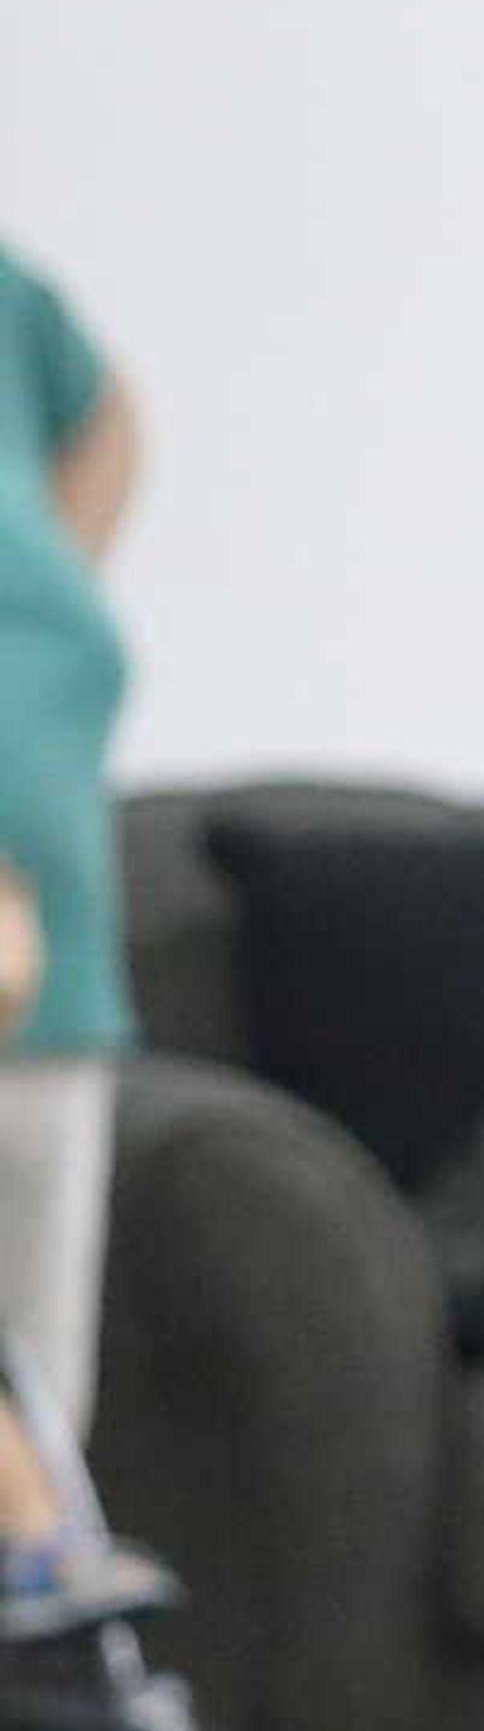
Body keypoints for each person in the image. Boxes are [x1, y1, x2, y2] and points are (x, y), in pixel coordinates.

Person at [0, 240, 153, 1642]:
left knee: (46, 1417)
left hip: (59, 989)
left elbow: (108, 415)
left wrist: (58, 573)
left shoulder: (11, 299)